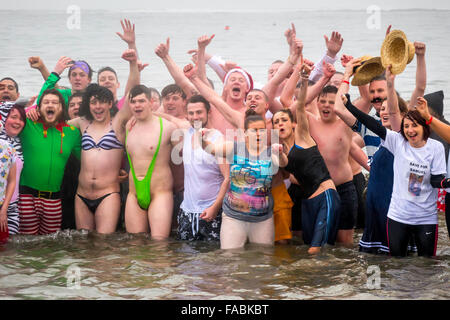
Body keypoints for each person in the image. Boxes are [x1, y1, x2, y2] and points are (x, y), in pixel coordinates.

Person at [343, 94, 448, 257]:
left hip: (424, 217)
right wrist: (349, 106)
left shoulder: (435, 148)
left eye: (414, 126)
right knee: (395, 263)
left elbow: (435, 180)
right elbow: (371, 123)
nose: (410, 130)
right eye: (406, 126)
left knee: (426, 264)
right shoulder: (398, 142)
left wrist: (445, 182)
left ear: (424, 127)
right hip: (397, 214)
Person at [272, 60, 340, 254]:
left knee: (315, 250)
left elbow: (300, 105)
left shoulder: (302, 136)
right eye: (276, 122)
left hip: (326, 195)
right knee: (308, 247)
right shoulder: (281, 150)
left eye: (284, 120)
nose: (280, 124)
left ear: (292, 124)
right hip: (308, 201)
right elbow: (286, 163)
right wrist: (278, 154)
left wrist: (304, 78)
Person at [200, 110, 288, 249]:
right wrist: (202, 139)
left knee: (263, 262)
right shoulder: (234, 148)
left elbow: (283, 163)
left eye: (262, 130)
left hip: (263, 219)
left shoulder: (271, 151)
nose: (259, 134)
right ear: (245, 133)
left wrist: (280, 153)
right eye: (254, 130)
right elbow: (210, 149)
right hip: (233, 217)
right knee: (231, 259)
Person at [155, 95, 230, 241]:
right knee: (186, 258)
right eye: (191, 113)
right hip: (187, 211)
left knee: (214, 259)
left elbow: (228, 178)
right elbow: (170, 118)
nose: (195, 117)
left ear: (209, 113)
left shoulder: (218, 140)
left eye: (199, 112)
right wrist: (142, 115)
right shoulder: (187, 131)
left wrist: (215, 207)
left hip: (211, 211)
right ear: (186, 115)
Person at [19, 89, 81, 235]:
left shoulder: (72, 132)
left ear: (61, 108)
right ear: (39, 108)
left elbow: (85, 158)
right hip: (27, 196)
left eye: (55, 102)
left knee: (50, 244)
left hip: (54, 199)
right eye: (46, 102)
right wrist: (28, 109)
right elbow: (8, 115)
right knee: (26, 242)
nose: (50, 105)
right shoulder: (28, 125)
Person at [124, 85, 178, 239]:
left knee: (159, 244)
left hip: (160, 193)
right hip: (134, 194)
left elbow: (188, 148)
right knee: (135, 244)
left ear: (151, 102)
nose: (137, 105)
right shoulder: (129, 127)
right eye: (133, 102)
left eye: (141, 101)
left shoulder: (167, 127)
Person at [0, 105, 26, 237]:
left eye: (21, 119)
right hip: (1, 204)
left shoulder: (17, 142)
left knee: (10, 252)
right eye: (13, 117)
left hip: (12, 207)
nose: (17, 122)